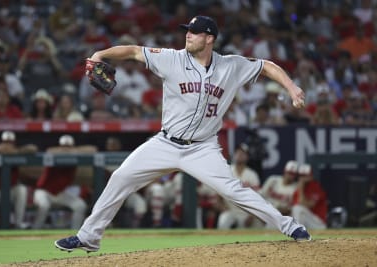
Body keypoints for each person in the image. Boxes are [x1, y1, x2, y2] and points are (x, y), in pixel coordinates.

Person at [55, 15, 310, 253]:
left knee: (234, 191)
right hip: (165, 143)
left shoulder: (231, 66)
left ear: (209, 38)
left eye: (195, 33)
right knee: (121, 177)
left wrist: (291, 86)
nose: (188, 36)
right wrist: (100, 53)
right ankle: (89, 236)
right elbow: (133, 51)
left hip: (202, 149)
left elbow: (266, 66)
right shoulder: (171, 58)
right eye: (187, 31)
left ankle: (289, 226)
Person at [32, 135, 97, 229]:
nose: (66, 149)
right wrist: (66, 151)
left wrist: (72, 151)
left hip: (59, 193)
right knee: (44, 205)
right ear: (60, 146)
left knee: (80, 205)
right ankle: (35, 230)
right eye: (64, 147)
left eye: (68, 147)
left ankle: (75, 233)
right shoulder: (53, 153)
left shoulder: (75, 156)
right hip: (43, 191)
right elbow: (50, 151)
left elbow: (92, 150)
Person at [0, 131, 37, 229]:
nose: (7, 144)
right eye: (6, 142)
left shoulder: (17, 152)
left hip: (10, 191)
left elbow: (33, 148)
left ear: (14, 143)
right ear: (2, 142)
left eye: (10, 142)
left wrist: (16, 151)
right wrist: (14, 151)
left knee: (22, 189)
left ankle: (18, 224)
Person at [217, 143, 263, 229]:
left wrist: (252, 215)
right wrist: (223, 209)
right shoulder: (226, 171)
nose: (240, 155)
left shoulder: (252, 175)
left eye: (243, 153)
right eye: (237, 152)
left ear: (247, 157)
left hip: (247, 213)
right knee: (224, 219)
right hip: (231, 211)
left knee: (258, 225)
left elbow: (258, 199)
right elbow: (218, 196)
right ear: (234, 155)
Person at [291, 164, 328, 229]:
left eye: (305, 175)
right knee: (296, 209)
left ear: (311, 176)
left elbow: (309, 205)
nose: (302, 178)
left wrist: (301, 188)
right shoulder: (298, 189)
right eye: (301, 175)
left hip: (318, 223)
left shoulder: (315, 187)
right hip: (307, 221)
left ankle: (298, 231)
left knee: (298, 209)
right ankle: (299, 232)